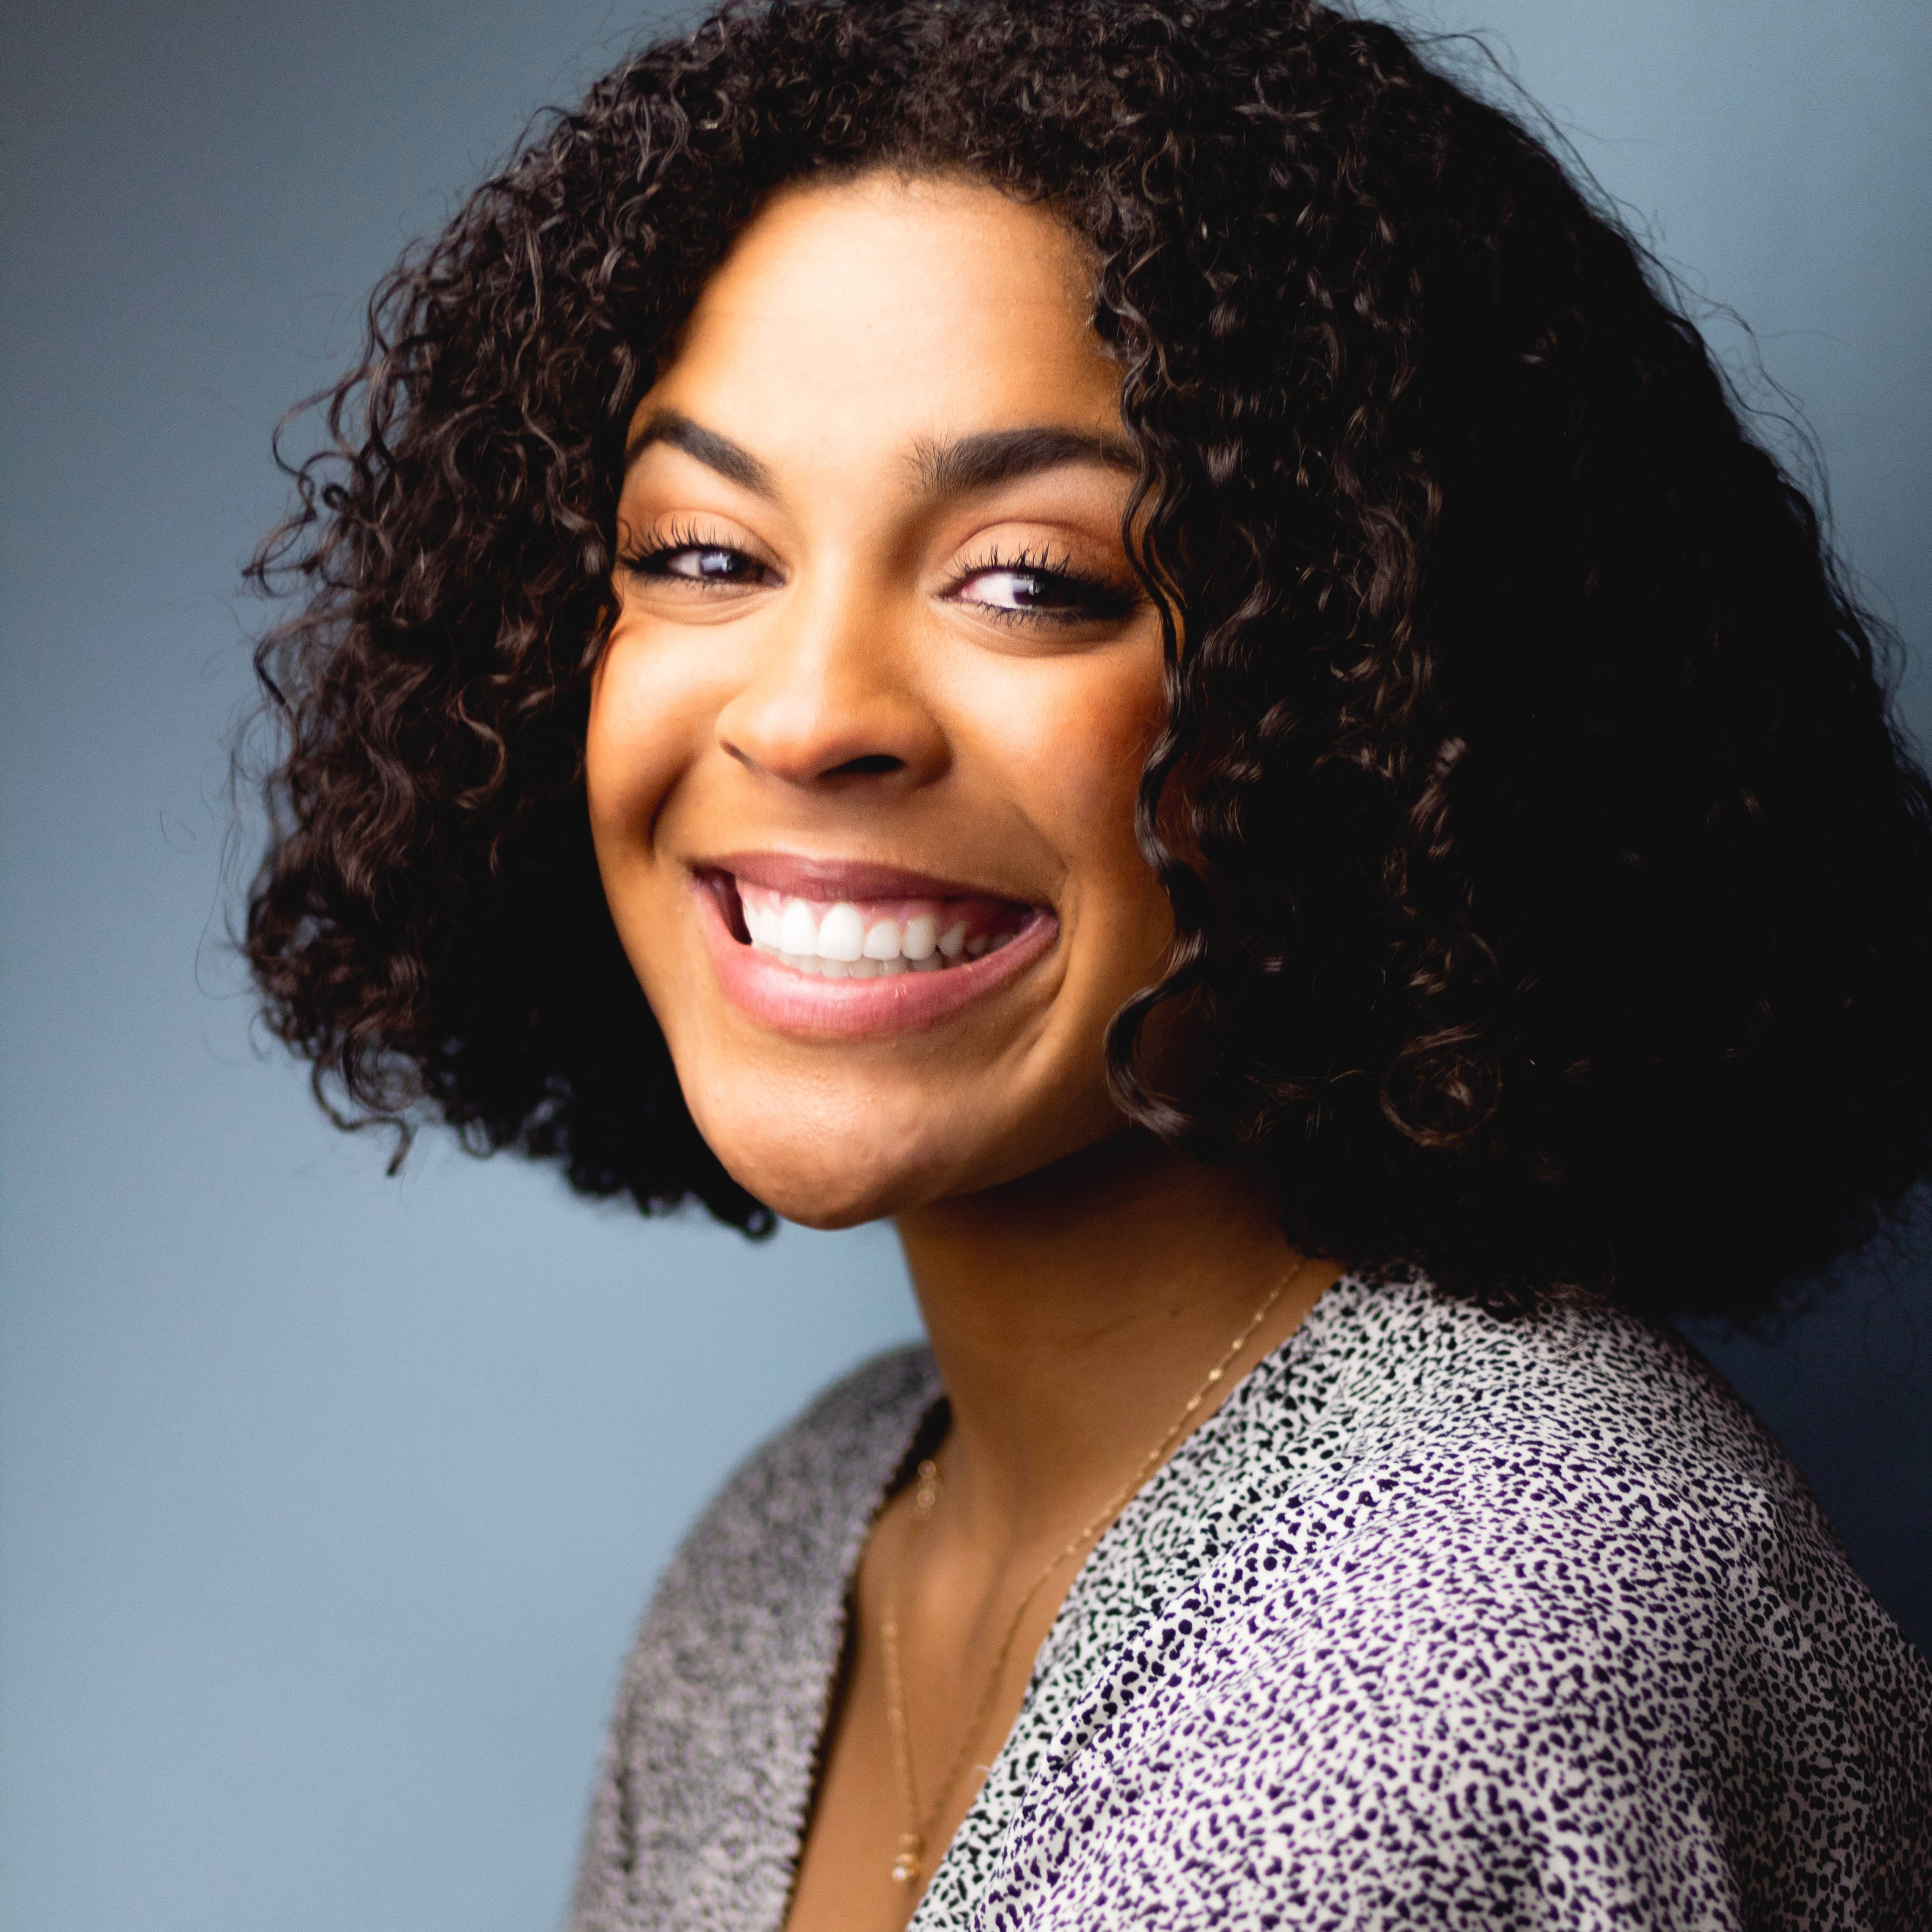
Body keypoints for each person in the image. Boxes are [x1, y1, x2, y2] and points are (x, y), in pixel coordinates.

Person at [243, 0, 1932, 1925]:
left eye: (1031, 581)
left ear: (1367, 696)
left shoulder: (1469, 1641)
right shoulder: (791, 1550)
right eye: (702, 551)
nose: (806, 713)